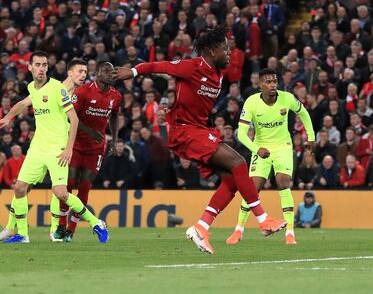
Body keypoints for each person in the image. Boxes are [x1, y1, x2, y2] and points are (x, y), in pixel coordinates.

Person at [113, 26, 284, 254]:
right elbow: (158, 66)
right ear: (213, 51)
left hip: (200, 130)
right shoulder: (192, 66)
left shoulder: (218, 75)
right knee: (239, 162)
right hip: (186, 132)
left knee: (232, 182)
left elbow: (196, 104)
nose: (230, 53)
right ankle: (263, 219)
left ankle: (201, 227)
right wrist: (133, 72)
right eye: (225, 49)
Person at [0, 52, 108, 244]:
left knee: (60, 193)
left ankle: (96, 222)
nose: (41, 68)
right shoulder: (32, 87)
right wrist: (8, 117)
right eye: (37, 65)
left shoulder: (58, 89)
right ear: (30, 68)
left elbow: (74, 120)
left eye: (44, 65)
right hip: (37, 148)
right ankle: (22, 234)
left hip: (56, 148)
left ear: (47, 68)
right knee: (19, 188)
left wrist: (68, 149)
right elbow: (24, 103)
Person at [228, 68, 316, 246]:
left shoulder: (287, 98)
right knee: (253, 188)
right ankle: (238, 230)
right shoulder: (251, 103)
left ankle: (290, 233)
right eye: (268, 82)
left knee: (283, 182)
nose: (272, 84)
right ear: (260, 85)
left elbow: (304, 113)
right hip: (261, 147)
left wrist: (311, 136)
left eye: (274, 81)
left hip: (283, 146)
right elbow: (242, 135)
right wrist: (256, 148)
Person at [57, 61, 121, 242]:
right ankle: (61, 223)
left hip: (96, 149)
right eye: (106, 71)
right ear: (97, 73)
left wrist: (114, 140)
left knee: (85, 186)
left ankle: (71, 228)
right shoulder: (83, 91)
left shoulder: (116, 96)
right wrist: (89, 131)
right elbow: (71, 118)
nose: (110, 74)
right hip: (76, 144)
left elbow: (115, 116)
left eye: (112, 71)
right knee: (69, 183)